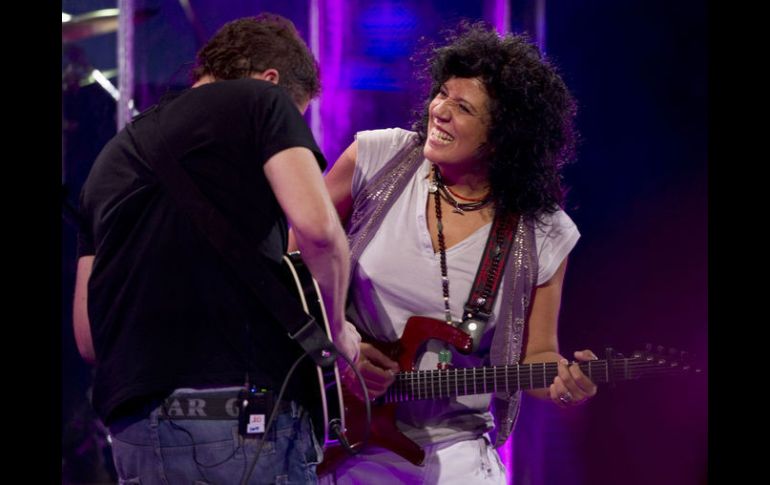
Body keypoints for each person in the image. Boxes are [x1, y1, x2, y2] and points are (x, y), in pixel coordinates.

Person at [72, 14, 359, 485]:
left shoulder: (108, 161)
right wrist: (337, 330)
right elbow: (319, 231)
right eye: (298, 115)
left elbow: (88, 338)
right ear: (269, 80)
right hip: (242, 419)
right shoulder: (261, 100)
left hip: (135, 433)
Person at [318, 22, 598, 484]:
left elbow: (537, 355)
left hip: (458, 450)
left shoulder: (544, 230)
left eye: (463, 107)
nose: (439, 110)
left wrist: (564, 385)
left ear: (502, 136)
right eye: (442, 93)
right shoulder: (376, 157)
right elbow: (291, 271)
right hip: (347, 441)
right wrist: (343, 345)